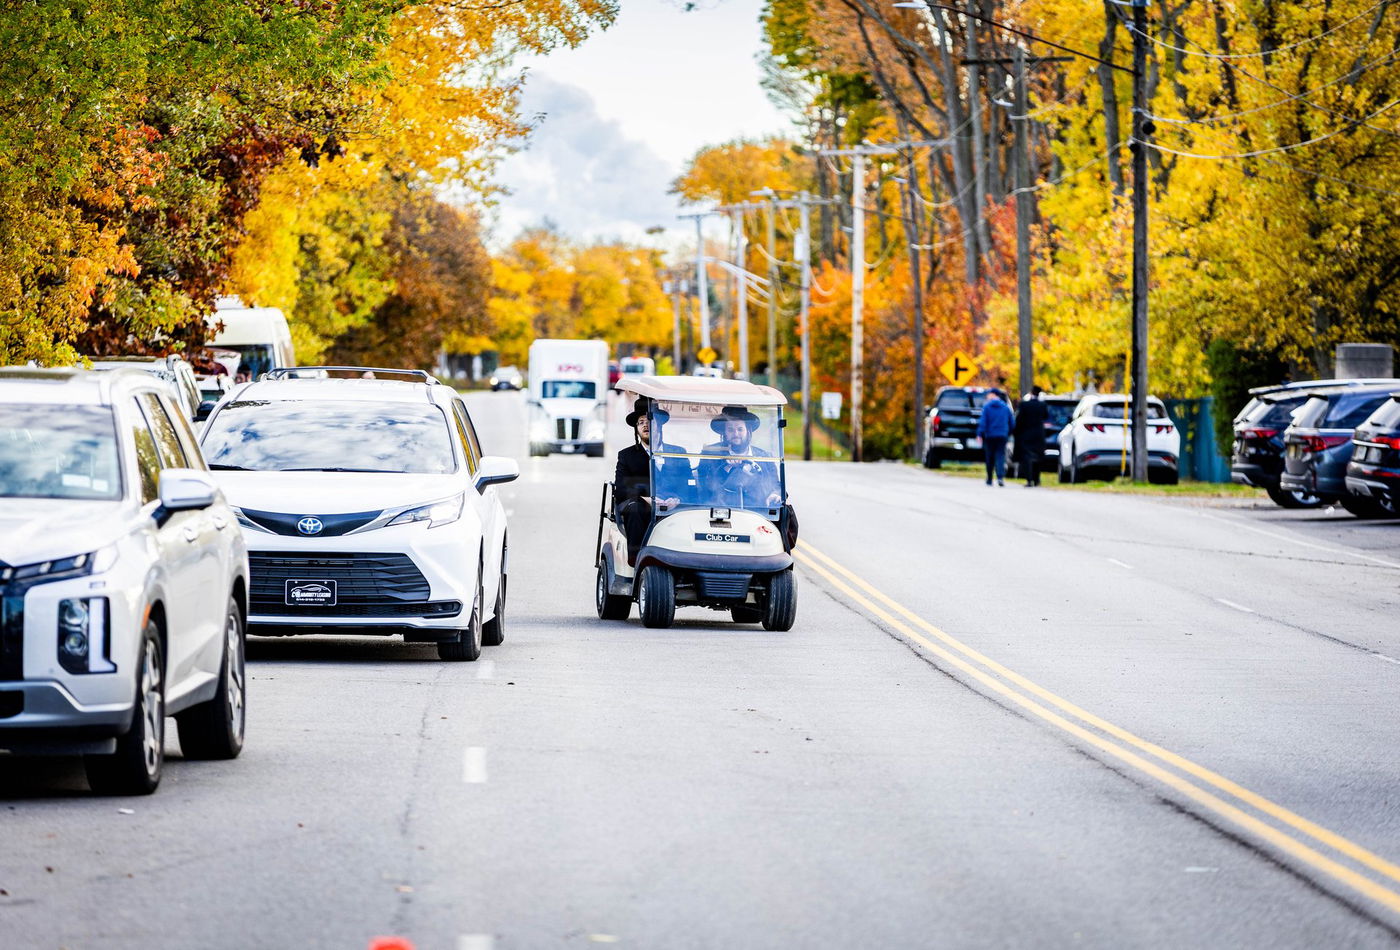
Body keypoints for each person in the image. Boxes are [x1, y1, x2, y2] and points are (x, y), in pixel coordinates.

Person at [614, 397, 688, 563]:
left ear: (660, 425)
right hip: (641, 505)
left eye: (649, 420)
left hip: (673, 506)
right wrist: (648, 499)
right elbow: (621, 489)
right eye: (640, 422)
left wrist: (678, 500)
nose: (645, 425)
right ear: (637, 429)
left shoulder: (678, 453)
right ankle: (639, 560)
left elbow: (689, 485)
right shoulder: (626, 456)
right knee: (635, 508)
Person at [699, 406, 783, 508]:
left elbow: (776, 484)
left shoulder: (764, 456)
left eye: (740, 429)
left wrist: (775, 494)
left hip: (757, 512)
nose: (736, 434)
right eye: (730, 430)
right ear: (724, 433)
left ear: (748, 431)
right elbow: (703, 484)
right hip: (719, 510)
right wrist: (726, 468)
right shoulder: (710, 453)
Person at [1013, 385, 1049, 487]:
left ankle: (1029, 480)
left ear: (1031, 392)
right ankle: (1037, 479)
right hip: (1039, 434)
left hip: (1026, 434)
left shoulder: (1024, 405)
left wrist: (1016, 431)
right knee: (1038, 457)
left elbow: (1019, 419)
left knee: (1027, 458)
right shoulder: (1042, 405)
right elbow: (1046, 416)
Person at [977, 390, 1014, 486]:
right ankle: (1000, 477)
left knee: (989, 457)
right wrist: (1008, 433)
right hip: (1002, 435)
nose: (987, 396)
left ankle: (989, 478)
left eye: (989, 394)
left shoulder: (987, 407)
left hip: (990, 436)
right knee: (1000, 456)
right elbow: (1012, 423)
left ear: (993, 395)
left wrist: (980, 434)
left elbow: (983, 422)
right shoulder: (1006, 407)